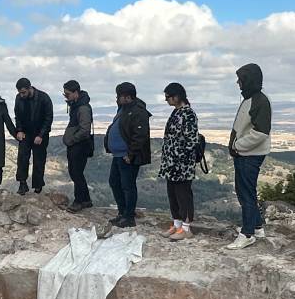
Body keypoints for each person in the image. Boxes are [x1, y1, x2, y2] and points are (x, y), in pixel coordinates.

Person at [227, 64, 272, 250]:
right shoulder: (250, 99)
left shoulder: (259, 101)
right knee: (248, 191)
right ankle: (257, 226)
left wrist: (237, 146)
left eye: (241, 79)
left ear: (249, 80)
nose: (238, 82)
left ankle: (247, 234)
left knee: (245, 194)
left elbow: (261, 132)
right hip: (246, 154)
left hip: (249, 155)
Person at [104, 82, 150, 227]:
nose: (117, 98)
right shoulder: (123, 109)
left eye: (119, 96)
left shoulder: (139, 111)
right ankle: (122, 212)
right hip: (118, 155)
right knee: (114, 182)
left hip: (127, 156)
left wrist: (130, 154)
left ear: (128, 97)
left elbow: (140, 135)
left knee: (128, 185)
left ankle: (129, 217)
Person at [159, 83, 199, 240]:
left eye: (168, 97)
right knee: (173, 194)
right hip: (171, 163)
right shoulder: (176, 112)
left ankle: (186, 228)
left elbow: (191, 140)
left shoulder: (188, 114)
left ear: (176, 97)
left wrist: (180, 157)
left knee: (184, 195)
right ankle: (176, 225)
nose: (167, 100)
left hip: (182, 164)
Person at [13, 77, 53, 195]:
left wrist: (41, 135)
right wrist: (19, 130)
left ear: (30, 88)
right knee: (22, 158)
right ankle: (22, 183)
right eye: (20, 92)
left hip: (40, 134)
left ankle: (38, 186)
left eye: (24, 92)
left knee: (39, 160)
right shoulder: (18, 98)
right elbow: (17, 115)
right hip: (25, 133)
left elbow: (48, 118)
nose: (22, 95)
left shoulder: (43, 98)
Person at [61, 80, 94, 212]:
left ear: (76, 92)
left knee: (76, 173)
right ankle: (86, 200)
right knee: (76, 173)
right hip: (76, 145)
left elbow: (85, 130)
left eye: (67, 94)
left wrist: (72, 140)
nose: (66, 97)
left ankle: (79, 201)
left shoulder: (83, 108)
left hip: (79, 146)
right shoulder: (76, 105)